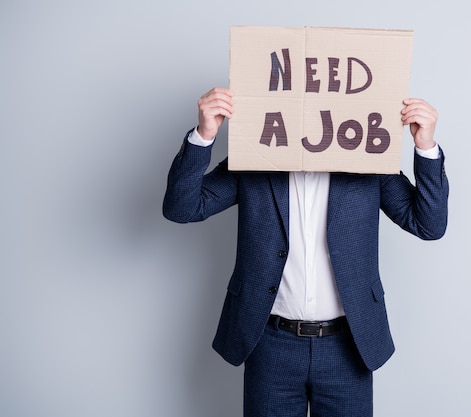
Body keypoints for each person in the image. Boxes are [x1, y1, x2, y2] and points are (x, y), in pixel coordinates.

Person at [163, 87, 449, 417]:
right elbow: (181, 208)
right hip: (270, 344)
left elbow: (430, 225)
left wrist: (425, 146)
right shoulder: (253, 161)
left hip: (348, 346)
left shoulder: (370, 165)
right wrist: (204, 134)